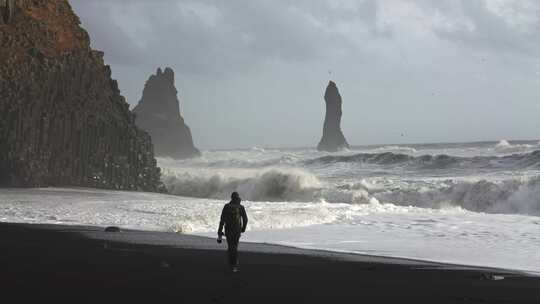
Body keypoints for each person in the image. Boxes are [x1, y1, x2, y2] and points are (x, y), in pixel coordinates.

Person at [217, 192, 248, 272]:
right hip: (237, 230)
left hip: (228, 229)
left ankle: (232, 263)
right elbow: (245, 219)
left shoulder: (226, 206)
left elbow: (222, 220)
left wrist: (219, 231)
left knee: (230, 246)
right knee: (235, 246)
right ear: (238, 198)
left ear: (231, 198)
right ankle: (234, 265)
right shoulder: (241, 207)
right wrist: (243, 228)